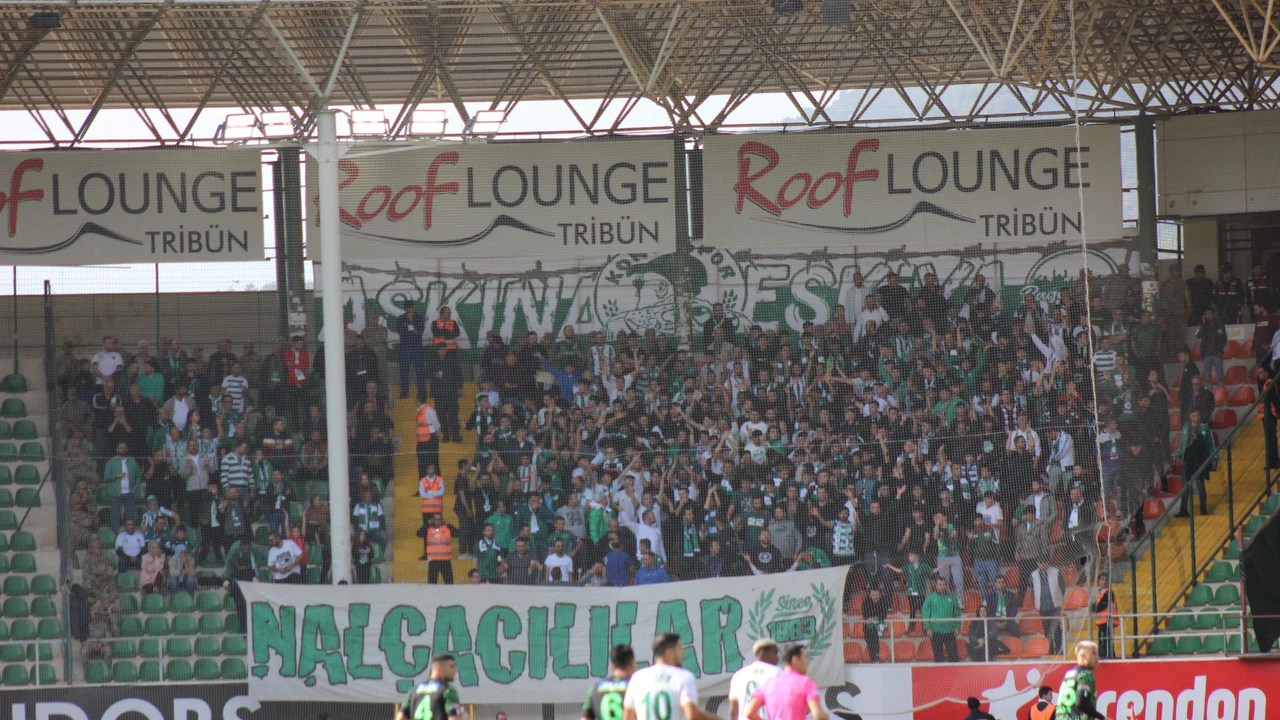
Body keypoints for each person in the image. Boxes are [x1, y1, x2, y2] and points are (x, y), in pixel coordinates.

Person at [623, 633, 725, 720]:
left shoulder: (638, 677)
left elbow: (628, 716)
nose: (683, 652)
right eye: (679, 648)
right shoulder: (683, 676)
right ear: (669, 652)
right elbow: (692, 714)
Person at [744, 645, 826, 720]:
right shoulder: (805, 683)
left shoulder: (768, 683)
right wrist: (825, 716)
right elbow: (818, 715)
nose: (808, 662)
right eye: (805, 657)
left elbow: (749, 713)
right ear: (795, 659)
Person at [396, 654, 463, 720]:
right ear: (439, 667)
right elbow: (454, 718)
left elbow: (400, 717)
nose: (455, 670)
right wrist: (464, 716)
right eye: (451, 666)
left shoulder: (414, 690)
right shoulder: (448, 690)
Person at [1054, 641, 1108, 720]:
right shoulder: (1086, 674)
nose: (1097, 658)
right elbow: (1081, 702)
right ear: (1082, 656)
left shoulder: (1069, 674)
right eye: (1093, 653)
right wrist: (1102, 717)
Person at [728, 639, 780, 720]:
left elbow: (733, 711)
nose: (778, 657)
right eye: (775, 653)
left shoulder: (739, 675)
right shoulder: (777, 672)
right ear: (763, 653)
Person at [581, 645, 636, 720]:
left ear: (612, 666)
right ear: (632, 664)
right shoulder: (637, 687)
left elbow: (585, 718)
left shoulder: (595, 688)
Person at [921, 577, 961, 662]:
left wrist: (957, 626)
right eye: (940, 584)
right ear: (936, 586)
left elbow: (957, 611)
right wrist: (928, 628)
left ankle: (954, 670)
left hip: (950, 631)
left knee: (954, 657)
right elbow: (925, 613)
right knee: (938, 657)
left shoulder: (952, 597)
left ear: (946, 585)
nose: (942, 587)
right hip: (935, 631)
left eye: (943, 584)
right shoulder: (930, 598)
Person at [396, 302, 427, 402]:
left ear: (413, 307)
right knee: (404, 371)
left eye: (411, 307)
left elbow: (420, 330)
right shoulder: (401, 318)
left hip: (417, 348)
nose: (409, 309)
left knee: (420, 371)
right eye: (407, 308)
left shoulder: (419, 317)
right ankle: (404, 392)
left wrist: (412, 325)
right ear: (405, 308)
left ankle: (422, 392)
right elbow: (401, 332)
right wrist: (412, 330)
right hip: (405, 349)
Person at [424, 513, 456, 585]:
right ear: (433, 520)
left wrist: (449, 525)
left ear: (442, 519)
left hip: (445, 560)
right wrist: (427, 524)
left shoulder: (447, 528)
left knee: (449, 584)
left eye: (439, 519)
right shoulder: (428, 529)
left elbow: (457, 533)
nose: (438, 521)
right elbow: (419, 533)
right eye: (436, 519)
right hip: (433, 561)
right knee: (431, 584)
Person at [1091, 575, 1117, 660]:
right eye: (1102, 579)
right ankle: (1106, 655)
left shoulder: (1108, 593)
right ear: (1099, 581)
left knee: (1105, 640)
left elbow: (1099, 607)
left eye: (1106, 579)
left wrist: (1095, 606)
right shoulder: (1102, 593)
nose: (1104, 581)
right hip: (1103, 621)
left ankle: (1105, 656)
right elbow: (1095, 607)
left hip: (1107, 620)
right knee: (1104, 640)